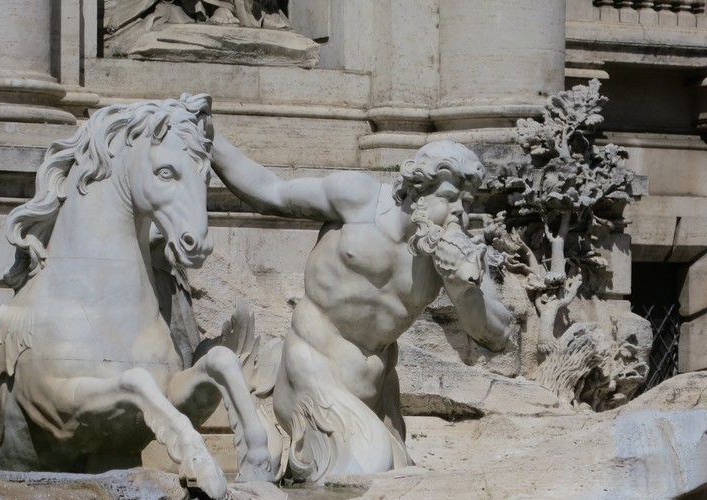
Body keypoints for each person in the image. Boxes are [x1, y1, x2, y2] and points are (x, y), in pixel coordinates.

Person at [210, 134, 512, 481]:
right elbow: (271, 193)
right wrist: (209, 141)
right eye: (448, 197)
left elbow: (497, 336)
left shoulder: (457, 255)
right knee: (368, 472)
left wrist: (463, 289)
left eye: (468, 202)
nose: (460, 211)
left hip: (378, 394)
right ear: (417, 191)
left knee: (396, 490)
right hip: (311, 368)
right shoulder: (359, 199)